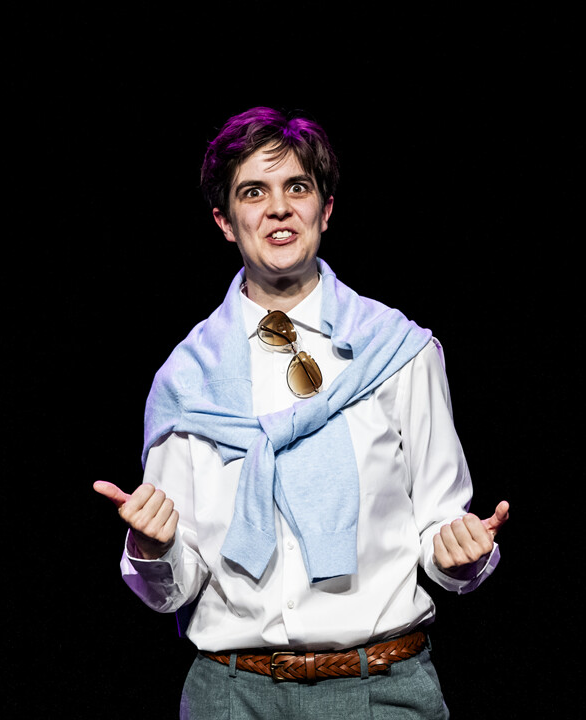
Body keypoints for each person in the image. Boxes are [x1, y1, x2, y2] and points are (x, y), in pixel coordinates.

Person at [94, 106, 510, 719]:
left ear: (326, 209)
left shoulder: (400, 352)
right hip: (232, 695)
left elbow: (440, 529)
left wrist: (461, 554)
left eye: (297, 187)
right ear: (225, 221)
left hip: (380, 690)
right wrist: (152, 549)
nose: (279, 209)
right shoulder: (186, 381)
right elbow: (175, 589)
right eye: (253, 192)